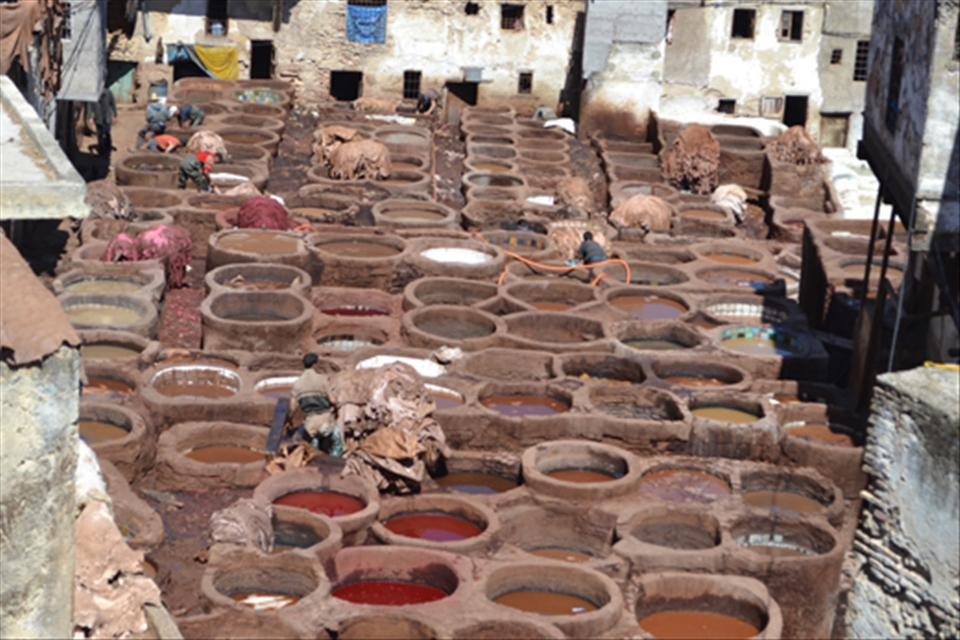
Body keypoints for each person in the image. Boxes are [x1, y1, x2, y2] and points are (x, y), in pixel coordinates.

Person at [291, 353, 343, 456]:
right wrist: (337, 408)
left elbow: (292, 408)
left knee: (313, 446)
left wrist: (288, 421)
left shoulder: (297, 384)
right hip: (325, 420)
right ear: (314, 365)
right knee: (337, 443)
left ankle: (314, 463)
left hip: (310, 423)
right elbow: (332, 400)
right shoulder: (322, 379)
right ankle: (334, 464)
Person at [90, 87, 117, 158]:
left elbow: (113, 103)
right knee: (100, 134)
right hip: (98, 118)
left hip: (107, 117)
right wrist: (90, 117)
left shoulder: (108, 92)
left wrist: (115, 115)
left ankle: (107, 148)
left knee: (107, 133)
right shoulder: (93, 94)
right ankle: (101, 149)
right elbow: (90, 105)